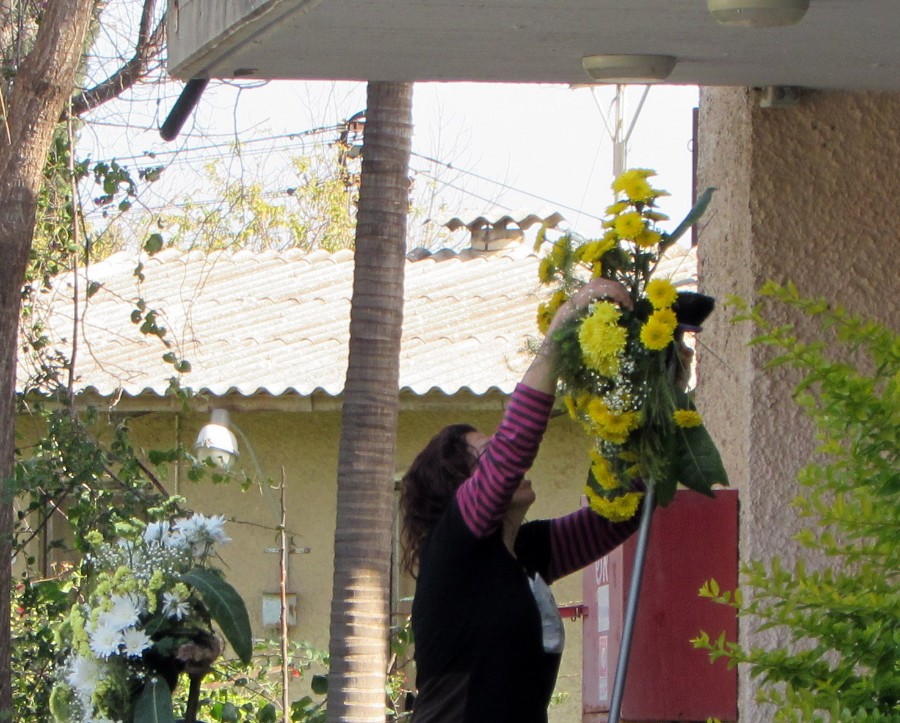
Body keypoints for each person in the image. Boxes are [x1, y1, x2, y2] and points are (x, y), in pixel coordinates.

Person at [400, 277, 648, 723]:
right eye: (486, 455)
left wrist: (649, 394)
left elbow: (619, 516)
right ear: (459, 487)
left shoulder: (525, 553)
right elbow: (515, 450)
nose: (503, 458)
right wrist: (560, 335)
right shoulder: (455, 548)